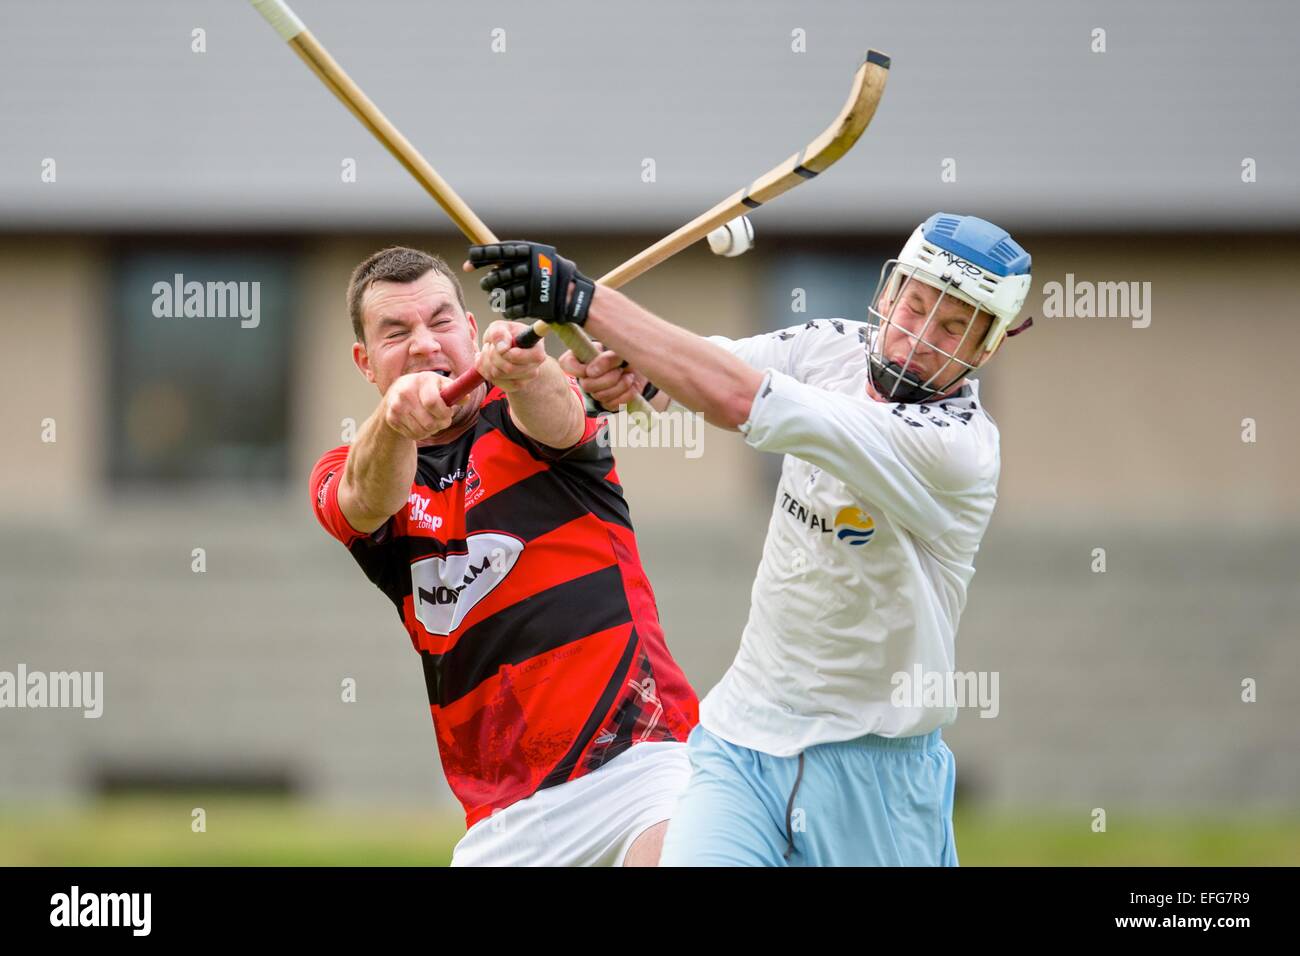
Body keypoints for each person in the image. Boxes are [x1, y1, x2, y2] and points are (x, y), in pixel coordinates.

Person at [463, 213, 1033, 865]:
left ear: (988, 344)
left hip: (874, 774)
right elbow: (708, 368)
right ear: (892, 289)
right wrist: (629, 370)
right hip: (743, 743)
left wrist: (580, 298)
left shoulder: (955, 450)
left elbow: (739, 397)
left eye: (953, 326)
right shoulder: (833, 347)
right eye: (916, 305)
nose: (918, 337)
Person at [309, 246, 698, 866]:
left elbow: (558, 411)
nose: (423, 345)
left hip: (642, 762)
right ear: (365, 363)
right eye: (396, 333)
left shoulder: (524, 412)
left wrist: (525, 371)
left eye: (440, 323)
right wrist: (394, 421)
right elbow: (363, 497)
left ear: (469, 331)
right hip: (504, 817)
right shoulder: (352, 467)